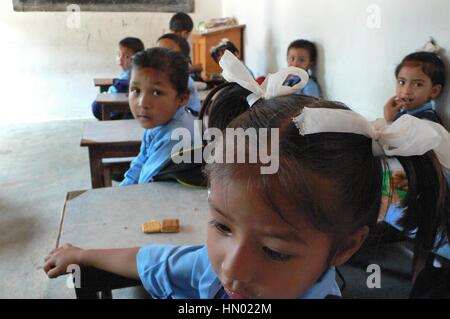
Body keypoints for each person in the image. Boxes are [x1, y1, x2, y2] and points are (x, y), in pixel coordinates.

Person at [44, 53, 450, 299]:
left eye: (274, 251)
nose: (233, 268)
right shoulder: (215, 266)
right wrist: (82, 255)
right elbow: (157, 260)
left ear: (345, 248)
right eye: (221, 224)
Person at [118, 47, 198, 186]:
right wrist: (124, 187)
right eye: (135, 90)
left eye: (156, 93)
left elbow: (146, 184)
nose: (143, 103)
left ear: (182, 98)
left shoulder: (176, 137)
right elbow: (140, 162)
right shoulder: (159, 122)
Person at [384, 39, 446, 124]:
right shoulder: (403, 113)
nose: (406, 91)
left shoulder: (427, 122)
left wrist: (389, 121)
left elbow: (396, 137)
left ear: (434, 91)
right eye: (402, 82)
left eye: (417, 84)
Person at [91, 37, 144, 120]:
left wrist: (115, 82)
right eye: (119, 54)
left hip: (116, 108)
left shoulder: (134, 74)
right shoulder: (126, 72)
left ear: (137, 59)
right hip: (111, 101)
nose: (121, 59)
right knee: (96, 105)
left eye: (126, 56)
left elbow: (124, 85)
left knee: (97, 106)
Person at [157, 33, 201, 115]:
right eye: (157, 53)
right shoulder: (166, 79)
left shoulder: (183, 81)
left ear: (185, 60)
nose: (160, 58)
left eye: (168, 53)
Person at [169, 12, 203, 77]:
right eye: (189, 34)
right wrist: (194, 68)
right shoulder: (176, 46)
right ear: (184, 33)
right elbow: (175, 71)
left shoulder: (166, 41)